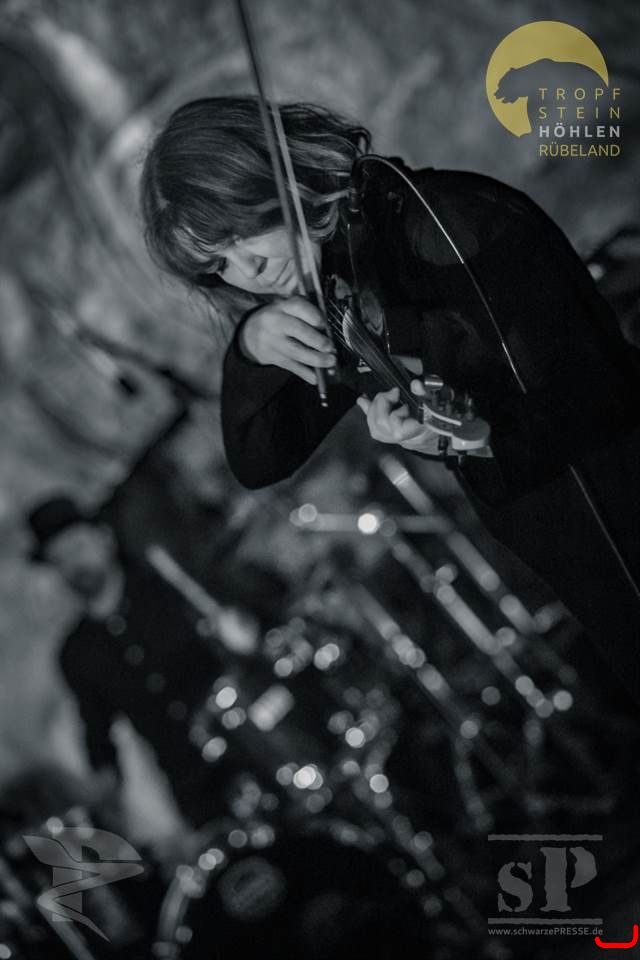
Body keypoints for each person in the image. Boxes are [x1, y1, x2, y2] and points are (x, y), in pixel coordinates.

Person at [139, 96, 640, 705]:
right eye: (217, 263)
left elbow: (597, 396)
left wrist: (478, 435)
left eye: (240, 232)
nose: (249, 269)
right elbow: (258, 458)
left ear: (271, 176)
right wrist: (249, 347)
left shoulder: (445, 222)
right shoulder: (332, 292)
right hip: (568, 553)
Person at [26, 495, 261, 835]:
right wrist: (102, 798)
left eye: (77, 546)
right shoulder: (76, 654)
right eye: (59, 558)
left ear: (104, 539)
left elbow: (245, 634)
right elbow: (98, 731)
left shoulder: (167, 584)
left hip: (251, 742)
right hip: (195, 785)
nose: (75, 563)